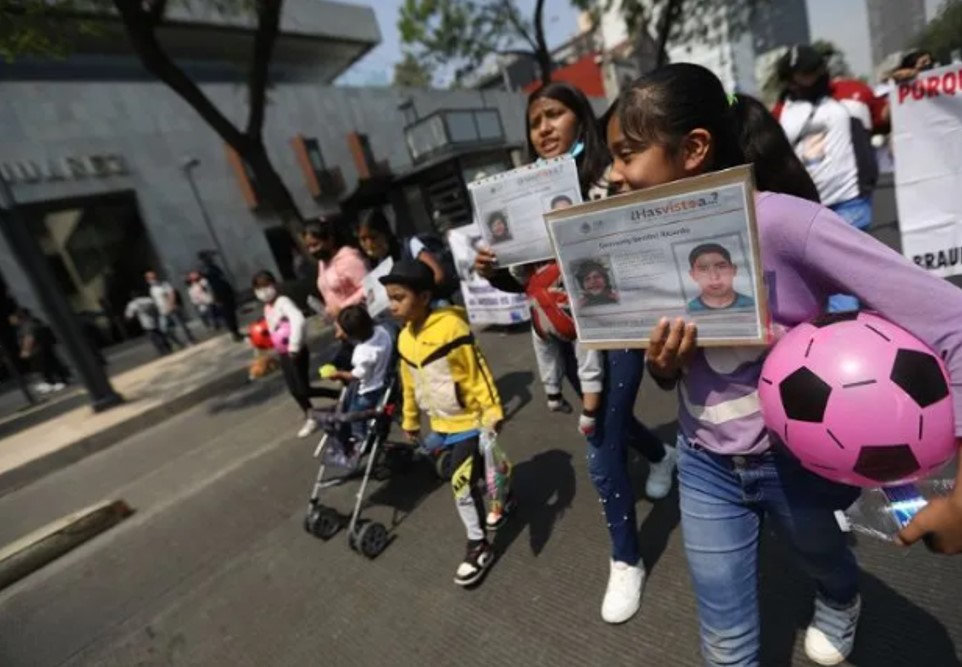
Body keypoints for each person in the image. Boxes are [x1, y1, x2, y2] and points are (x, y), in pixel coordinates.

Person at [608, 62, 962, 666]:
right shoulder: (641, 242)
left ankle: (842, 597)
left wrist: (960, 499)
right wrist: (665, 366)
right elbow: (673, 372)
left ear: (693, 149)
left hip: (795, 459)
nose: (613, 175)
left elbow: (952, 318)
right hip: (703, 464)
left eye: (626, 154)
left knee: (822, 555)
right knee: (724, 643)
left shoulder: (782, 222)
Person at [475, 81, 675, 625]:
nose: (543, 128)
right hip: (565, 339)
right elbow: (530, 288)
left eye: (554, 114)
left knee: (600, 442)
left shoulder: (610, 175)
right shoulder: (516, 202)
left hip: (620, 327)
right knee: (614, 417)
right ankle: (662, 455)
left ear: (578, 118)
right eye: (535, 120)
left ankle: (626, 559)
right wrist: (495, 268)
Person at [380, 260, 505, 587]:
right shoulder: (404, 339)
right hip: (442, 424)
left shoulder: (451, 328)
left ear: (423, 296)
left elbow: (477, 369)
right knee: (480, 472)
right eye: (390, 298)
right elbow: (408, 382)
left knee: (461, 482)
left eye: (399, 297)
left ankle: (479, 546)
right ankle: (505, 493)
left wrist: (492, 409)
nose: (392, 305)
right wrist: (410, 418)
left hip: (472, 420)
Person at [774, 45, 879, 313]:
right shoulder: (779, 111)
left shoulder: (853, 94)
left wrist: (909, 80)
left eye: (809, 71)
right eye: (796, 74)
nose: (804, 78)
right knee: (821, 285)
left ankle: (847, 338)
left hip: (850, 201)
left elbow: (886, 116)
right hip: (807, 209)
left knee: (843, 281)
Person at [253, 270, 331, 438]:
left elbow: (298, 319)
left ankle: (337, 396)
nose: (264, 291)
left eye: (266, 285)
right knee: (294, 389)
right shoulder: (268, 308)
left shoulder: (283, 301)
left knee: (303, 389)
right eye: (259, 288)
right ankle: (310, 414)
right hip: (283, 353)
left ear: (274, 284)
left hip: (296, 351)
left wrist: (294, 345)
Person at [302, 214, 369, 369]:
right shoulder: (323, 263)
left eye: (316, 245)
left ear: (329, 240)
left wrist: (344, 306)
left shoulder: (349, 259)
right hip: (343, 326)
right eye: (309, 247)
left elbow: (368, 287)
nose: (312, 251)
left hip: (362, 323)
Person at [326, 304, 394, 442]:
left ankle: (359, 437)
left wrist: (339, 374)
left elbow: (357, 375)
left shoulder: (362, 352)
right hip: (385, 378)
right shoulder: (382, 331)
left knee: (354, 413)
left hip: (371, 389)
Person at [356, 208, 450, 293]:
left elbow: (439, 275)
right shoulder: (377, 265)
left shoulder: (410, 246)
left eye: (373, 237)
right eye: (363, 239)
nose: (369, 245)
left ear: (385, 234)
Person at [10, 307, 70, 393]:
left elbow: (29, 338)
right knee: (49, 365)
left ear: (20, 317)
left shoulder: (28, 325)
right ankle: (56, 381)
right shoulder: (34, 322)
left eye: (13, 317)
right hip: (42, 349)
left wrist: (26, 350)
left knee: (44, 367)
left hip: (37, 350)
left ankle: (55, 382)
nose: (11, 320)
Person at [685, 243, 755, 312]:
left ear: (733, 270)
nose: (714, 277)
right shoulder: (687, 312)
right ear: (693, 275)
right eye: (703, 269)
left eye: (721, 267)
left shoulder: (756, 306)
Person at [198, 251, 242, 342]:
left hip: (226, 291)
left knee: (232, 313)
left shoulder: (214, 267)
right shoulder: (204, 270)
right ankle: (234, 333)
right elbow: (205, 286)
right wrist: (213, 296)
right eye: (208, 257)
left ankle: (236, 331)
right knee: (227, 314)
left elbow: (223, 278)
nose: (211, 258)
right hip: (218, 294)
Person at [145, 270, 194, 346]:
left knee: (181, 326)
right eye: (150, 278)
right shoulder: (152, 289)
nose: (152, 279)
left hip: (171, 308)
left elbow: (171, 293)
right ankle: (180, 343)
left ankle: (190, 340)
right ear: (147, 280)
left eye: (153, 277)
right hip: (162, 311)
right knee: (164, 329)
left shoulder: (163, 284)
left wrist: (171, 304)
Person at [125, 291, 172, 357]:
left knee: (154, 337)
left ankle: (163, 350)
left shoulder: (133, 304)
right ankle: (167, 348)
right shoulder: (147, 300)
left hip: (147, 323)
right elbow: (156, 306)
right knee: (159, 334)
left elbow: (129, 315)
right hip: (154, 320)